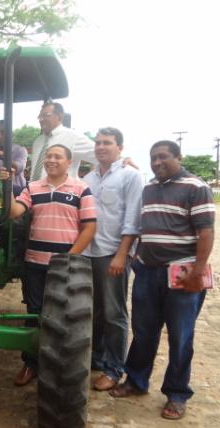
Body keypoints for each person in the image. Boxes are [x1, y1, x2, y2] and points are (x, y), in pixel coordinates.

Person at [110, 140, 215, 421]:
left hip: (181, 275)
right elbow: (145, 226)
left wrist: (198, 272)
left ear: (178, 157)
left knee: (181, 337)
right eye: (153, 159)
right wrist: (136, 257)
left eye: (163, 157)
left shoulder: (196, 186)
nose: (157, 163)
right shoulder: (149, 188)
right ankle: (135, 381)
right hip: (147, 271)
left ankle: (177, 394)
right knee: (143, 332)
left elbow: (206, 233)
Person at [0, 144, 97, 386]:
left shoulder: (81, 189)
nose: (52, 160)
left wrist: (69, 259)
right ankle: (31, 364)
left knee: (64, 317)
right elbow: (13, 212)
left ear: (68, 161)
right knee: (34, 313)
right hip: (35, 263)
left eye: (57, 156)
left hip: (65, 266)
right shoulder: (33, 188)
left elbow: (89, 228)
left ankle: (59, 367)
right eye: (48, 156)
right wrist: (8, 185)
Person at [82, 127, 143, 391]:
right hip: (89, 253)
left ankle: (115, 368)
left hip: (112, 254)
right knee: (93, 311)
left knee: (114, 313)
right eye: (97, 143)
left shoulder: (131, 176)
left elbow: (133, 218)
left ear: (120, 147)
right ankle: (97, 358)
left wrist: (122, 254)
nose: (101, 147)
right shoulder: (88, 178)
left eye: (107, 143)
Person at [30, 102, 96, 181]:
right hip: (33, 191)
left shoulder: (74, 137)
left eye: (46, 115)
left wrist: (86, 183)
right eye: (40, 116)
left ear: (59, 116)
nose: (41, 119)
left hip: (62, 192)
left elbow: (102, 158)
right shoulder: (38, 141)